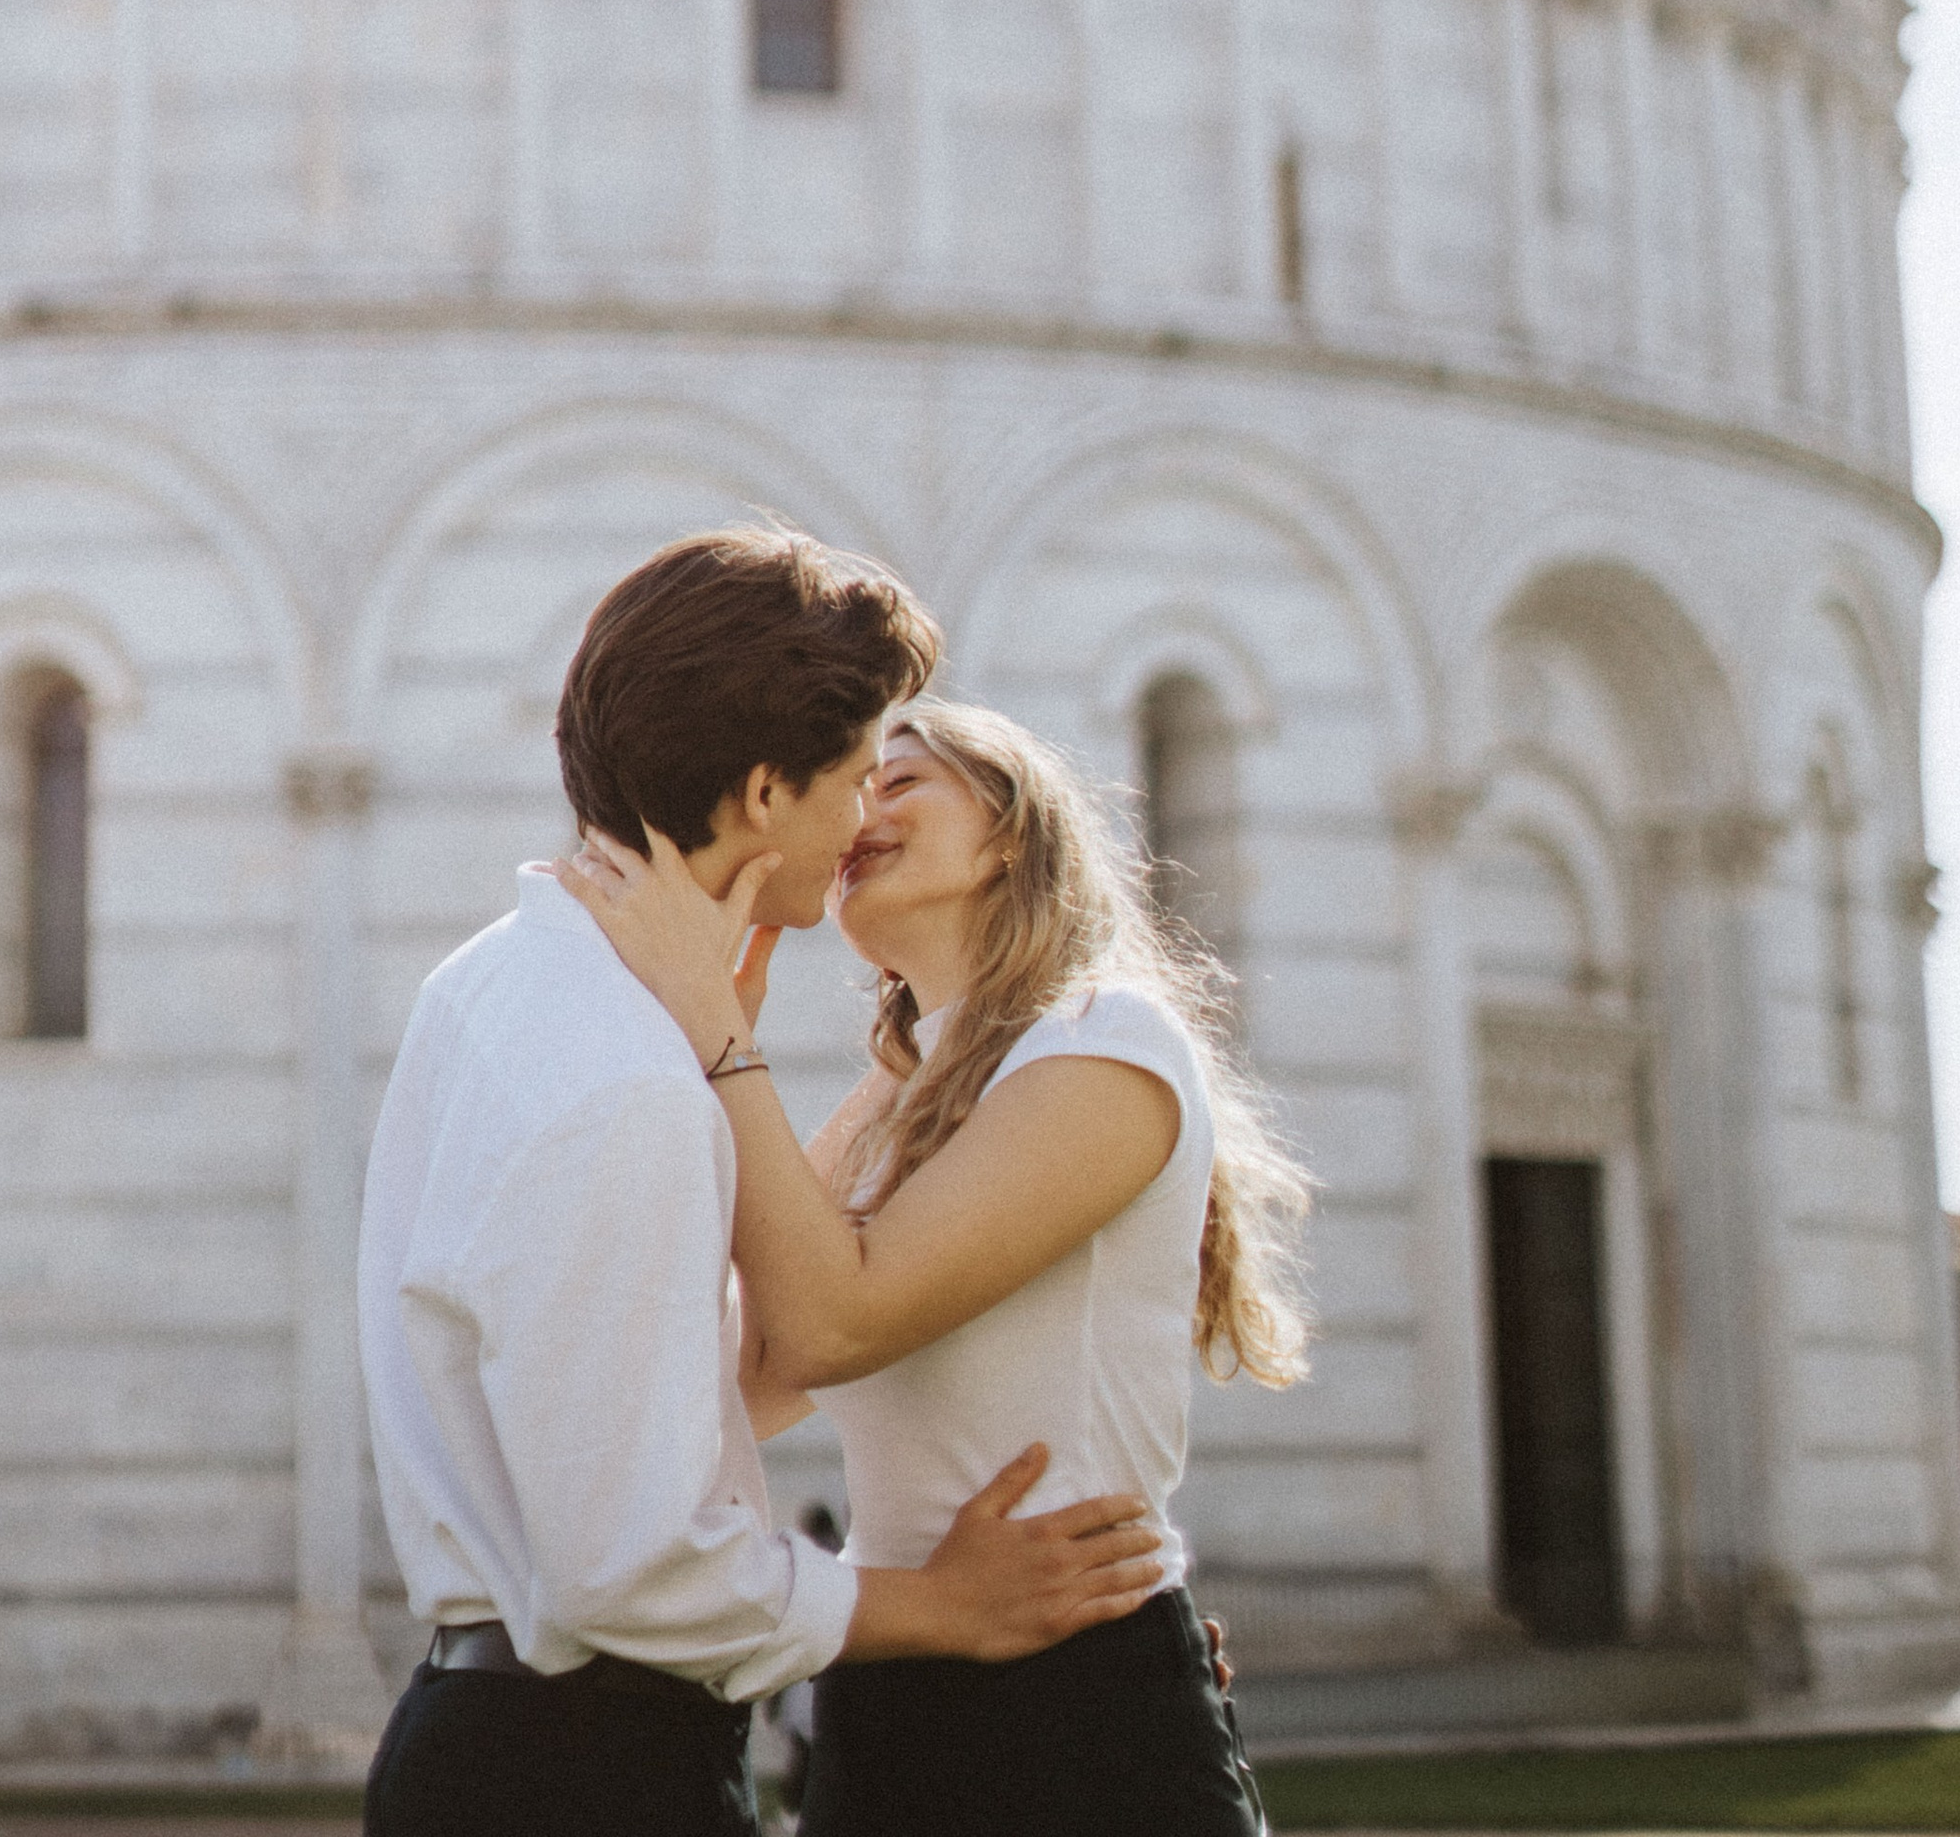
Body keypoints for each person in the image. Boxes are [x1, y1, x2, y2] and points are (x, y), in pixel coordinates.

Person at [358, 537, 1168, 1837]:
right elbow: (631, 1567)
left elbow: (689, 1386)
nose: (858, 824)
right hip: (589, 1772)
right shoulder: (629, 1071)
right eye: (855, 780)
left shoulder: (494, 984)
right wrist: (941, 1606)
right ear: (763, 795)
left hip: (511, 1740)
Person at [561, 692, 1312, 1837]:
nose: (860, 808)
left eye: (900, 780)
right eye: (856, 786)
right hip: (888, 1688)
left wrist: (717, 1029)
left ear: (1009, 832)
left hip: (1079, 1696)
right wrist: (698, 1042)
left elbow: (836, 1325)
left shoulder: (1106, 1042)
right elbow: (749, 1380)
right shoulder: (901, 1092)